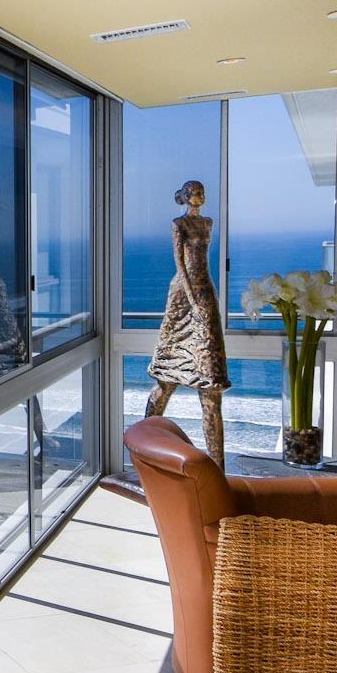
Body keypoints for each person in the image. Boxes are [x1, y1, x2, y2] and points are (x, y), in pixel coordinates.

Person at [144, 180, 230, 462]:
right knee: (165, 378)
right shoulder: (178, 224)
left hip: (206, 289)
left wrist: (208, 298)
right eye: (195, 192)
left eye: (203, 192)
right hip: (184, 294)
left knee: (211, 382)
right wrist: (193, 300)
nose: (200, 196)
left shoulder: (207, 223)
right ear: (185, 197)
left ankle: (219, 468)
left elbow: (202, 261)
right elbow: (181, 265)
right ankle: (143, 449)